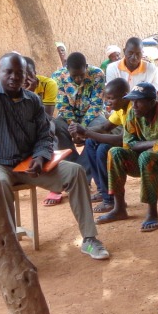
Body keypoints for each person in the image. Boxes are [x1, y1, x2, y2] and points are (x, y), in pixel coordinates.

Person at [0, 53, 110, 260]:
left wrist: (40, 157)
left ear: (27, 76)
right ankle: (11, 247)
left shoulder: (32, 100)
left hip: (30, 164)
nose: (14, 77)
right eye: (8, 72)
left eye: (19, 73)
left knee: (75, 172)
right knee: (0, 184)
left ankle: (90, 238)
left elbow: (45, 135)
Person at [93, 82, 158, 230]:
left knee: (146, 157)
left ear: (152, 102)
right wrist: (153, 142)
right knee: (115, 152)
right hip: (147, 160)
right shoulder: (133, 113)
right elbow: (128, 144)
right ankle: (119, 208)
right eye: (132, 101)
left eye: (138, 101)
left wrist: (144, 145)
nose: (134, 105)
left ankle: (152, 213)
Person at [50, 52, 105, 204]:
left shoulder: (98, 75)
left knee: (100, 129)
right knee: (56, 126)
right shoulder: (57, 77)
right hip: (69, 118)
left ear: (86, 67)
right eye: (75, 76)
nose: (79, 79)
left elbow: (96, 105)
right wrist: (74, 128)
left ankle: (80, 176)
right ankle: (75, 172)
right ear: (66, 69)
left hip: (91, 116)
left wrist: (83, 130)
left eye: (81, 74)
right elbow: (62, 106)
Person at [73, 78, 130, 214]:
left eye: (111, 98)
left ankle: (109, 200)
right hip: (128, 144)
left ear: (125, 95)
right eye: (107, 98)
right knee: (90, 142)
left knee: (103, 149)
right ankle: (102, 191)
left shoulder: (132, 109)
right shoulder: (120, 109)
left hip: (139, 147)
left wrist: (87, 132)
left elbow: (120, 140)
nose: (108, 102)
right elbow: (105, 127)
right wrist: (83, 132)